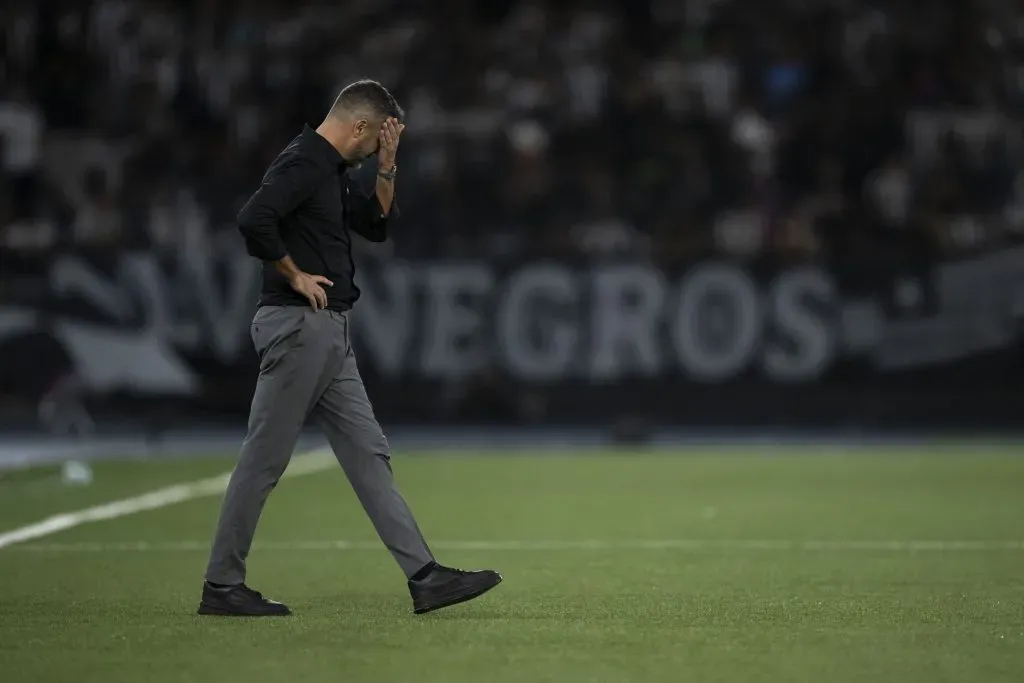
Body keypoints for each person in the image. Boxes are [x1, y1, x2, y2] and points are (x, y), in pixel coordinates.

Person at [198, 80, 501, 617]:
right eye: (371, 142)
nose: (367, 153)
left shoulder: (328, 169)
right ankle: (222, 584)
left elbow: (375, 226)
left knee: (369, 455)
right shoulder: (306, 162)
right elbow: (253, 219)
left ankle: (425, 578)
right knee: (264, 460)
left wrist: (387, 165)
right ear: (357, 125)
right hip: (300, 326)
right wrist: (293, 275)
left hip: (328, 332)